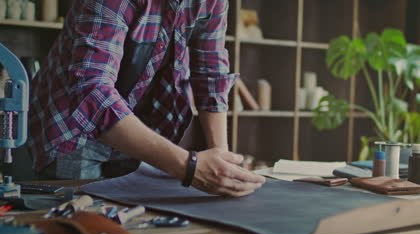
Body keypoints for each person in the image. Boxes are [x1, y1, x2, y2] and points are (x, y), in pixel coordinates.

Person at [28, 0, 265, 197]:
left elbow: (211, 73)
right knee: (78, 226)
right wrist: (189, 167)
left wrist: (222, 162)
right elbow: (92, 92)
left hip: (140, 125)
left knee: (133, 223)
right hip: (74, 125)